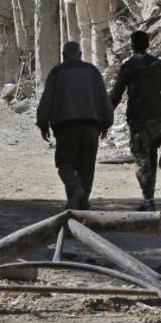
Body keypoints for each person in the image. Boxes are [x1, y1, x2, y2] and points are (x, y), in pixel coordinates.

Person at [36, 41, 114, 210]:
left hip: (65, 127)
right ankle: (82, 203)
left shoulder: (56, 73)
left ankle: (74, 189)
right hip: (91, 126)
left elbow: (46, 101)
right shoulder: (92, 71)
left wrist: (43, 123)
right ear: (80, 55)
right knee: (87, 167)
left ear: (63, 56)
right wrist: (107, 122)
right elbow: (103, 99)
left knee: (64, 163)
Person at [109, 30, 161, 212]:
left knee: (141, 158)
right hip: (156, 117)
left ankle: (147, 197)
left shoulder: (128, 67)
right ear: (148, 44)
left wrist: (104, 115)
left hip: (137, 118)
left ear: (132, 46)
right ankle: (149, 196)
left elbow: (115, 96)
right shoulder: (158, 65)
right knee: (151, 155)